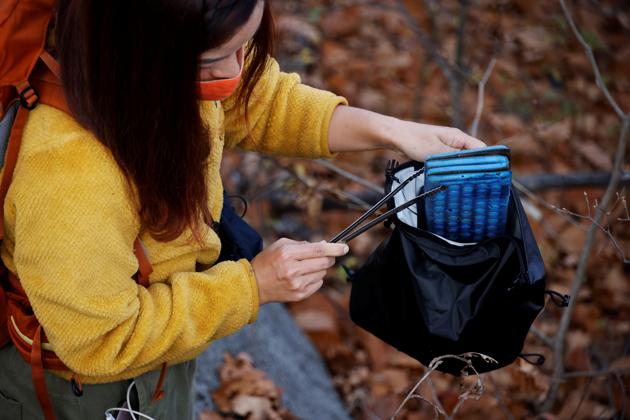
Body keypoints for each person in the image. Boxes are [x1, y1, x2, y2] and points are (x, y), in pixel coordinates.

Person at [0, 0, 485, 418]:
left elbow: (262, 102)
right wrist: (253, 286)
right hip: (79, 393)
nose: (235, 70)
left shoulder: (141, 60)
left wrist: (395, 132)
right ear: (143, 54)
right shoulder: (72, 177)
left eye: (245, 46)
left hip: (159, 356)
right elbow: (101, 342)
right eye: (212, 60)